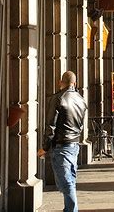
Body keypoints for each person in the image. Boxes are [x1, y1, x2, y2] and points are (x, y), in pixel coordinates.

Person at [38, 71, 87, 212]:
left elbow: (50, 125)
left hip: (62, 145)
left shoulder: (58, 98)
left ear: (61, 82)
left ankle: (71, 210)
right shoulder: (80, 98)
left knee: (67, 184)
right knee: (70, 180)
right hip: (74, 145)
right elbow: (81, 124)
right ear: (75, 84)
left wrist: (45, 147)